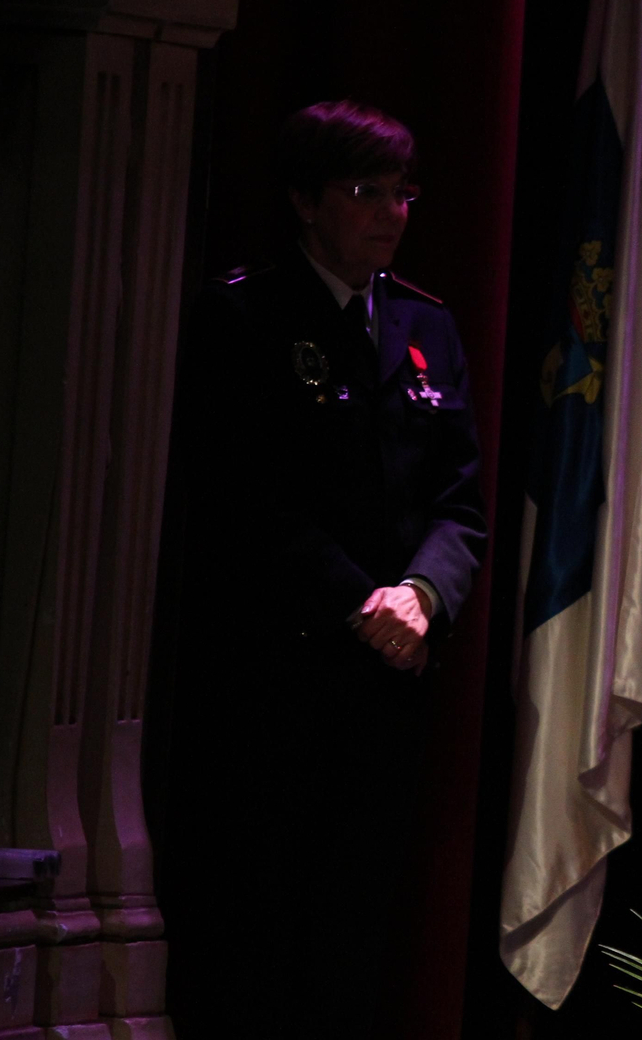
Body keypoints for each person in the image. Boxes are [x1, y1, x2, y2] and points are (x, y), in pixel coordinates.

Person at [162, 100, 485, 1037]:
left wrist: (422, 595)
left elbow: (459, 505)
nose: (391, 213)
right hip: (275, 685)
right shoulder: (244, 316)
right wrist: (363, 600)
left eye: (402, 193)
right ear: (304, 201)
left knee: (356, 946)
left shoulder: (428, 327)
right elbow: (245, 503)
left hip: (389, 687)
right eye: (365, 192)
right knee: (256, 944)